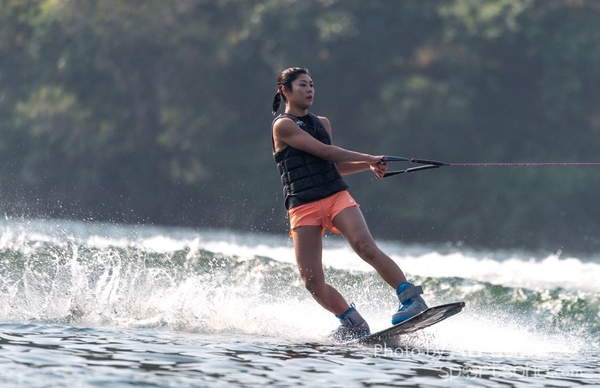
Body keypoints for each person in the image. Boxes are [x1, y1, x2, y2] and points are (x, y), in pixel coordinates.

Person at [270, 67, 428, 341]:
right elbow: (325, 151)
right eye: (302, 85)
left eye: (312, 85)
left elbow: (334, 166)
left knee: (365, 247)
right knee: (312, 282)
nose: (310, 90)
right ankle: (352, 322)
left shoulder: (322, 123)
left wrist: (367, 166)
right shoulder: (283, 125)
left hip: (334, 196)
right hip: (302, 206)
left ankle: (411, 299)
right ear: (285, 90)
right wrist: (369, 157)